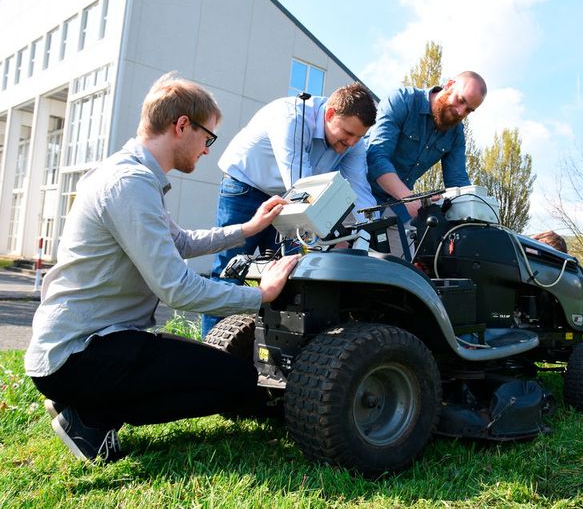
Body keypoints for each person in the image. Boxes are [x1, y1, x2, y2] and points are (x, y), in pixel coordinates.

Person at [24, 72, 300, 462]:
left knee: (216, 367)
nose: (206, 150)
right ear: (182, 125)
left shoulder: (129, 174)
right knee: (237, 379)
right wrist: (260, 296)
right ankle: (91, 414)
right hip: (80, 354)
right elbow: (177, 289)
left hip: (90, 345)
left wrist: (248, 229)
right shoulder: (130, 183)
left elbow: (180, 242)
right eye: (208, 138)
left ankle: (85, 400)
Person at [202, 83, 377, 336]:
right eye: (348, 133)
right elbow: (301, 186)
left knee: (290, 276)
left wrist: (369, 232)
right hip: (247, 188)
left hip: (291, 197)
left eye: (358, 137)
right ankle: (211, 346)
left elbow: (359, 189)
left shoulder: (354, 141)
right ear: (329, 114)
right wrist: (331, 236)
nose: (351, 142)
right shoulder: (292, 118)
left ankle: (272, 349)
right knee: (230, 271)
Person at [366, 71, 487, 255]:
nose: (461, 112)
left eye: (469, 110)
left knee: (403, 265)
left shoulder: (456, 133)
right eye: (460, 100)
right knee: (345, 257)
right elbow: (377, 158)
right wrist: (409, 198)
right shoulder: (403, 100)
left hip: (397, 206)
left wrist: (477, 217)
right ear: (449, 85)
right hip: (360, 190)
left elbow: (457, 181)